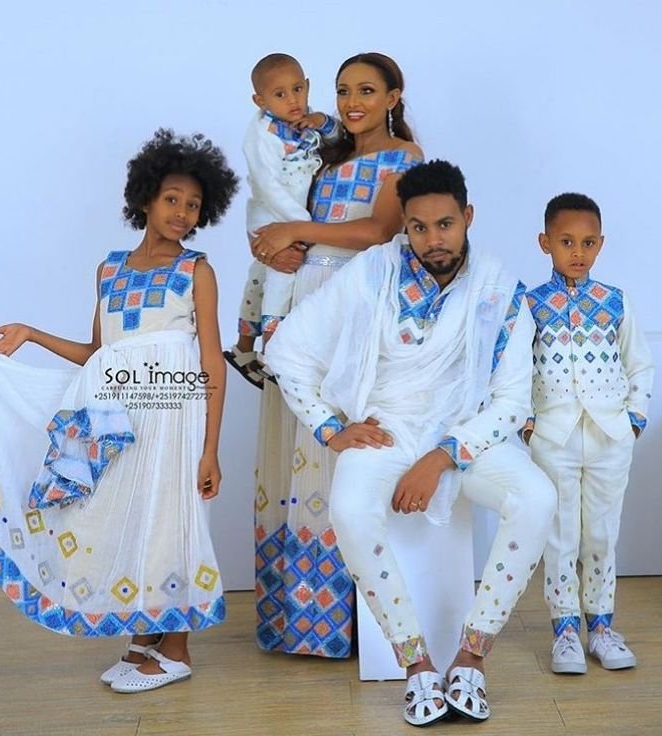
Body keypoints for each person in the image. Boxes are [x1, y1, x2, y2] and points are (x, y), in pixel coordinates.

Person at [265, 159, 556, 726]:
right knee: (350, 510)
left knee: (538, 498)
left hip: (465, 429)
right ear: (405, 225)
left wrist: (441, 457)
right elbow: (287, 349)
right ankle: (416, 665)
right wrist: (330, 427)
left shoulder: (500, 289)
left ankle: (471, 657)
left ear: (468, 217)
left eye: (445, 224)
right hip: (388, 427)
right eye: (419, 227)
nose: (432, 239)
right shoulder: (372, 272)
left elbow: (512, 402)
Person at [0, 129, 239, 693]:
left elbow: (213, 361)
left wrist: (210, 447)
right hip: (115, 411)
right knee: (124, 515)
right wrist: (32, 334)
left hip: (173, 415)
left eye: (193, 205)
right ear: (145, 199)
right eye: (171, 199)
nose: (182, 213)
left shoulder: (196, 271)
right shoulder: (109, 270)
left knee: (171, 516)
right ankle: (144, 632)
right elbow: (99, 351)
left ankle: (178, 648)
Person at [250, 52, 423, 659]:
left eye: (367, 91)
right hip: (304, 300)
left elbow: (379, 231)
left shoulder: (405, 159)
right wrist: (276, 249)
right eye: (344, 90)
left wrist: (298, 233)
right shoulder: (324, 159)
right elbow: (282, 218)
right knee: (301, 440)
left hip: (355, 305)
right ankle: (300, 622)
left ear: (393, 97)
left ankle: (358, 626)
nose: (352, 102)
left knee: (344, 441)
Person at [521, 193, 654, 675]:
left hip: (609, 434)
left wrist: (634, 419)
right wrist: (527, 424)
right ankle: (564, 631)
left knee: (601, 533)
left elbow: (639, 363)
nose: (578, 252)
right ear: (545, 243)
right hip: (553, 437)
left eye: (588, 242)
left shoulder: (615, 301)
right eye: (566, 241)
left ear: (601, 244)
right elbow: (515, 368)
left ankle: (601, 627)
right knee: (560, 537)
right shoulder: (531, 304)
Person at [224, 53, 339, 388]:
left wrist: (321, 121)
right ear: (260, 101)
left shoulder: (303, 120)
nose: (293, 100)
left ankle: (244, 347)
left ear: (308, 86)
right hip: (273, 215)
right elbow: (267, 186)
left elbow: (336, 138)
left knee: (260, 277)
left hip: (291, 216)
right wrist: (302, 223)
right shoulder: (262, 134)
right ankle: (272, 352)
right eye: (280, 94)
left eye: (298, 89)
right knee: (282, 275)